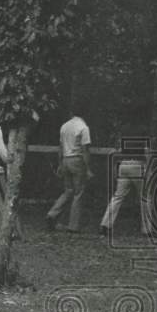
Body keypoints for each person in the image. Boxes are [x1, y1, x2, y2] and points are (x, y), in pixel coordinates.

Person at [46, 100, 93, 233]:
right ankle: (73, 226)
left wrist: (60, 164)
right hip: (77, 160)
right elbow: (85, 149)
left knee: (68, 190)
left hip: (65, 159)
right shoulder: (84, 127)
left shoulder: (64, 126)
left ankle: (52, 214)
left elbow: (60, 147)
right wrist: (88, 168)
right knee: (78, 193)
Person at [99, 140, 151, 237]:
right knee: (145, 198)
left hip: (124, 165)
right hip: (137, 165)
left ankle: (105, 225)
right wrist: (148, 169)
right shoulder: (143, 133)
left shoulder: (125, 133)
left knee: (117, 197)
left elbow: (117, 151)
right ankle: (147, 230)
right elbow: (147, 153)